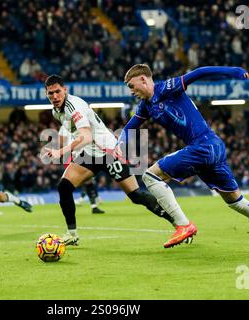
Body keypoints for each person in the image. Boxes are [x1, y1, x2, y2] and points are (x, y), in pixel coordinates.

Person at [116, 64, 249, 251]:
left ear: (143, 80)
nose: (131, 91)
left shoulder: (167, 88)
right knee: (236, 201)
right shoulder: (146, 106)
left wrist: (233, 71)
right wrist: (119, 146)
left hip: (203, 145)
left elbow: (199, 72)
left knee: (149, 176)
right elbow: (131, 127)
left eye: (131, 85)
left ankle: (183, 224)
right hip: (213, 147)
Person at [43, 75, 176, 245]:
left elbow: (85, 135)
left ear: (65, 90)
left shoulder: (73, 106)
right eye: (50, 94)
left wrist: (60, 151)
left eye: (57, 92)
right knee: (64, 186)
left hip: (109, 151)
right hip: (90, 153)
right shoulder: (56, 111)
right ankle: (72, 234)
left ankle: (176, 221)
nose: (54, 97)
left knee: (135, 196)